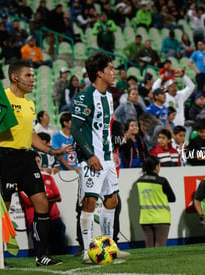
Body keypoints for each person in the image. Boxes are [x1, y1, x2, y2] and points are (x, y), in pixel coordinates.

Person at [0, 59, 69, 268]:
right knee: (4, 209)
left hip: (26, 158)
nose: (33, 80)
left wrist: (52, 151)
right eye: (29, 76)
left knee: (42, 203)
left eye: (33, 76)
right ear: (15, 77)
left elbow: (30, 135)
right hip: (4, 157)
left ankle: (42, 256)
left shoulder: (30, 103)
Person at [70, 53, 130, 263]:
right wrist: (89, 155)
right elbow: (75, 129)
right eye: (110, 69)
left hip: (106, 158)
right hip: (91, 159)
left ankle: (107, 246)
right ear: (99, 73)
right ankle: (87, 250)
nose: (114, 72)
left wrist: (113, 151)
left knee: (112, 200)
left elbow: (107, 127)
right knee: (89, 202)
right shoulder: (84, 97)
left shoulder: (108, 96)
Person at [136, 156, 175, 247]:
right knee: (160, 248)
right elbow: (172, 198)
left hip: (145, 219)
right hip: (161, 218)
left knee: (149, 248)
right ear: (156, 167)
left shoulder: (139, 181)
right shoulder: (162, 181)